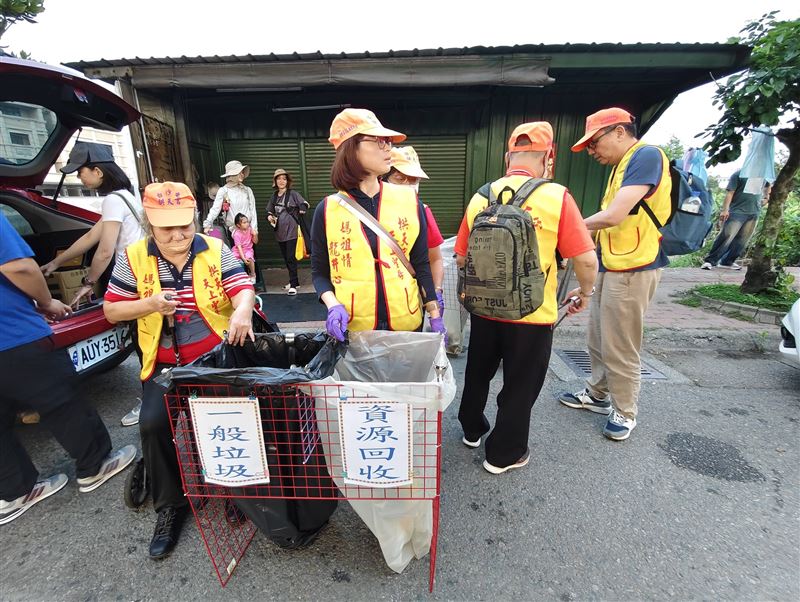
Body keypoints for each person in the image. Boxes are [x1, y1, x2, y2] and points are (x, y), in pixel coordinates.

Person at [103, 182, 256, 560]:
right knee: (153, 424)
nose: (177, 235)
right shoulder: (133, 256)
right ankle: (170, 507)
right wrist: (150, 304)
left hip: (215, 359)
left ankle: (236, 488)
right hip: (165, 364)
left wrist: (241, 309)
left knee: (233, 418)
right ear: (149, 225)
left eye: (184, 226)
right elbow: (111, 310)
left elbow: (242, 288)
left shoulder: (215, 248)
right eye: (166, 227)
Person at [454, 122, 597, 474]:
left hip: (485, 308)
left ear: (508, 156)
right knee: (521, 384)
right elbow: (585, 259)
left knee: (478, 371)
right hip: (532, 314)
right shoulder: (556, 196)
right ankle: (503, 454)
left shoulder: (481, 196)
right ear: (549, 158)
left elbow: (460, 256)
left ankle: (472, 429)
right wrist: (586, 291)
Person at [0, 212, 136, 525]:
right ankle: (96, 464)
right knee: (62, 401)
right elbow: (18, 266)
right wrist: (47, 302)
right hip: (11, 335)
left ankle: (14, 491)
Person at [558, 107, 672, 441]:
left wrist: (568, 229)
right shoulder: (621, 166)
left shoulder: (646, 156)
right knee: (597, 335)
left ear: (620, 131)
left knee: (620, 342)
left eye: (594, 143)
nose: (592, 151)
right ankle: (597, 394)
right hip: (613, 262)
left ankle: (625, 411)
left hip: (635, 267)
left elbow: (614, 215)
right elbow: (605, 223)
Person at [311, 108, 445, 342]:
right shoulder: (327, 210)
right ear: (351, 147)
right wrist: (332, 305)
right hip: (355, 328)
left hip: (406, 323)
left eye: (389, 142)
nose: (388, 148)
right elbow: (320, 273)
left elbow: (421, 262)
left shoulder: (409, 201)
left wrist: (434, 312)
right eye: (379, 141)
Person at [40, 142, 145, 306]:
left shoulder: (113, 200)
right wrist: (55, 263)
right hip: (141, 274)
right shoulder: (124, 196)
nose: (78, 177)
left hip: (131, 277)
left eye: (80, 172)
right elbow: (90, 237)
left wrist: (89, 283)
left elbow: (104, 252)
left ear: (97, 171)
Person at [385, 146, 446, 312]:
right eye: (400, 178)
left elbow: (435, 258)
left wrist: (436, 291)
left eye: (413, 180)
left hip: (412, 298)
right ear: (383, 178)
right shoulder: (368, 212)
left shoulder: (422, 211)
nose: (408, 184)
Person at [701, 169, 770, 271]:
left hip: (754, 212)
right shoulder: (738, 174)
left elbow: (768, 185)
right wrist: (725, 210)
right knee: (726, 236)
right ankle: (710, 261)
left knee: (742, 240)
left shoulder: (763, 175)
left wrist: (766, 197)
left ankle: (728, 262)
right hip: (737, 211)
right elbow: (730, 193)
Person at [265, 168, 309, 295]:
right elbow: (269, 211)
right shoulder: (274, 196)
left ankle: (293, 284)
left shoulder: (293, 194)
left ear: (287, 181)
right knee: (286, 258)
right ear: (275, 181)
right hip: (279, 232)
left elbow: (305, 203)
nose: (281, 181)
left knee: (290, 257)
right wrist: (269, 216)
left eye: (284, 179)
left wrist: (302, 208)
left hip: (292, 231)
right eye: (279, 179)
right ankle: (294, 281)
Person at [202, 160, 259, 246]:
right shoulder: (223, 191)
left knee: (250, 256)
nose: (242, 174)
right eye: (239, 172)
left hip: (248, 230)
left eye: (242, 172)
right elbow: (215, 209)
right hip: (234, 231)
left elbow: (253, 210)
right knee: (236, 257)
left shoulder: (247, 190)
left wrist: (254, 229)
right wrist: (208, 223)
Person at [232, 213, 257, 282]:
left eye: (247, 222)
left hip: (248, 249)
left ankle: (252, 274)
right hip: (237, 250)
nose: (247, 224)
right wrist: (243, 258)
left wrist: (255, 235)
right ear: (238, 225)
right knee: (233, 259)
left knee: (249, 258)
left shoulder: (250, 230)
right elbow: (239, 248)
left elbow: (255, 242)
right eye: (244, 222)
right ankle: (238, 277)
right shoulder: (236, 234)